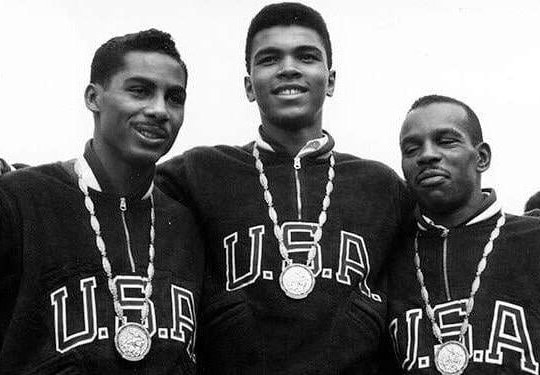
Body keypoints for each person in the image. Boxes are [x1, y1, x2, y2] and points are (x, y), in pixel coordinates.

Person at [157, 3, 410, 374]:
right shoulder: (196, 174)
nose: (288, 68)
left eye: (306, 57)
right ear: (248, 85)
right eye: (269, 59)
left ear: (331, 79)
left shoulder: (382, 186)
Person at [0, 29, 203, 374]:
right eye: (139, 91)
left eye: (174, 98)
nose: (159, 110)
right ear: (94, 97)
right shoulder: (19, 201)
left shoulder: (186, 225)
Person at [388, 95, 540, 374]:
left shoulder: (534, 239)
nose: (427, 155)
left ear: (481, 158)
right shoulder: (387, 257)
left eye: (446, 141)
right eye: (411, 149)